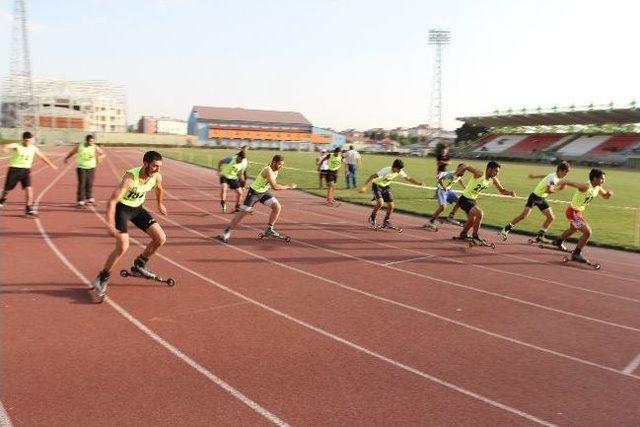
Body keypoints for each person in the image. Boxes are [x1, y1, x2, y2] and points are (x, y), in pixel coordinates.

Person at [91, 151, 168, 298]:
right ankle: (103, 276)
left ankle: (140, 263)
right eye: (154, 166)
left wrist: (160, 204)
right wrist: (110, 225)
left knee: (161, 238)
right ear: (145, 164)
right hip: (122, 210)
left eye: (160, 167)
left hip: (137, 209)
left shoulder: (157, 176)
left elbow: (159, 188)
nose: (157, 170)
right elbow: (112, 201)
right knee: (123, 246)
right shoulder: (130, 178)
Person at [218, 154, 297, 243]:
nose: (281, 167)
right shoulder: (268, 170)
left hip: (263, 192)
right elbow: (275, 186)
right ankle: (226, 231)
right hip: (254, 193)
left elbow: (272, 183)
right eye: (280, 164)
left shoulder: (276, 170)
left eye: (282, 164)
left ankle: (269, 229)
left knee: (277, 207)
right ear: (274, 162)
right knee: (242, 213)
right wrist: (288, 186)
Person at [499, 161, 570, 242]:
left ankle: (540, 236)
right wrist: (559, 189)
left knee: (551, 218)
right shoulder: (553, 177)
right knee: (523, 216)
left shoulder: (555, 176)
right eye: (565, 172)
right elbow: (548, 190)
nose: (566, 174)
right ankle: (506, 229)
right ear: (560, 170)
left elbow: (545, 176)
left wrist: (534, 177)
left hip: (542, 199)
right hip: (534, 197)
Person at [551, 168, 612, 262]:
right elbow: (569, 182)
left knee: (573, 229)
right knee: (587, 232)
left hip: (578, 212)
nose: (604, 181)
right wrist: (558, 184)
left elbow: (604, 196)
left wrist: (608, 194)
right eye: (602, 179)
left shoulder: (597, 186)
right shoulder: (585, 186)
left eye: (604, 179)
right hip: (573, 212)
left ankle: (558, 241)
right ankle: (576, 253)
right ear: (595, 178)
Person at [0, 131, 58, 216]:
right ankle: (2, 200)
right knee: (7, 190)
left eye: (29, 140)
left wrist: (51, 164)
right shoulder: (17, 146)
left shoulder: (33, 148)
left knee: (29, 189)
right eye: (26, 140)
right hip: (14, 170)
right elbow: (8, 146)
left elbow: (42, 157)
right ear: (23, 139)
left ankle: (28, 208)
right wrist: (5, 149)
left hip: (26, 171)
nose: (28, 142)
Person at [456, 161, 516, 244]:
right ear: (489, 169)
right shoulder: (480, 174)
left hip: (472, 200)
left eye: (498, 172)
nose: (497, 174)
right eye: (496, 171)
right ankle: (475, 236)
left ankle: (463, 234)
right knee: (480, 213)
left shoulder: (493, 179)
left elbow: (502, 190)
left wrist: (509, 193)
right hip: (464, 199)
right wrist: (455, 174)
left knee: (471, 221)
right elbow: (465, 165)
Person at [359, 159, 423, 229]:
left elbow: (408, 178)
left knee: (391, 206)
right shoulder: (386, 170)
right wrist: (364, 186)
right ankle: (372, 216)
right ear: (394, 167)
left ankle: (386, 221)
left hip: (386, 187)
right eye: (398, 169)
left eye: (401, 169)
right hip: (377, 186)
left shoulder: (399, 171)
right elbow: (372, 176)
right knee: (380, 203)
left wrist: (418, 183)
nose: (400, 171)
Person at [63, 134, 106, 207]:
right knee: (82, 183)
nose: (91, 143)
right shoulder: (80, 146)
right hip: (81, 167)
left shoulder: (94, 147)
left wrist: (100, 157)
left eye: (92, 141)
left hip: (91, 167)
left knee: (89, 183)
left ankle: (89, 198)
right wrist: (67, 158)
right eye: (90, 141)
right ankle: (80, 200)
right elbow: (72, 152)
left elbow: (103, 154)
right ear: (86, 141)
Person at [424, 163, 466, 229]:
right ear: (458, 169)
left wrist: (464, 187)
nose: (463, 171)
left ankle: (450, 217)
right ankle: (431, 221)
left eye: (464, 170)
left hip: (449, 191)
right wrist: (444, 187)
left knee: (460, 201)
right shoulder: (451, 174)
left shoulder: (460, 175)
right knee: (443, 207)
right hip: (441, 190)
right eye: (462, 169)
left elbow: (460, 179)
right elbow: (440, 180)